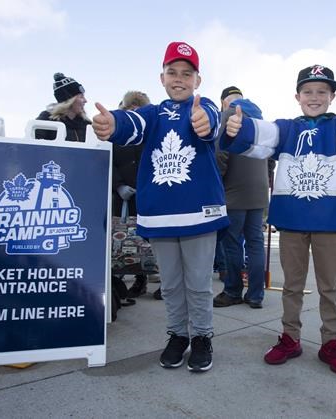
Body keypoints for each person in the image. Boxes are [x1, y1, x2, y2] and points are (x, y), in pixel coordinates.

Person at [222, 65, 336, 375]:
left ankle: (331, 343)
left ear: (332, 97)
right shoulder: (286, 129)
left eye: (322, 92)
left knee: (330, 287)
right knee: (292, 286)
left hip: (329, 220)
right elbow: (259, 133)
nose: (314, 97)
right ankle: (290, 338)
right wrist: (238, 127)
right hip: (293, 218)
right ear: (297, 96)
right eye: (308, 91)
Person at [92, 41, 228, 373]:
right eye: (172, 72)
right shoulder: (152, 114)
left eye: (187, 73)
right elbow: (131, 124)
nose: (179, 79)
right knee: (170, 283)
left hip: (198, 213)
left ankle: (202, 336)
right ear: (162, 77)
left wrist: (204, 121)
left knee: (198, 283)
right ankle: (178, 334)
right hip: (161, 215)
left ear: (197, 80)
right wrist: (113, 124)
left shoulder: (204, 105)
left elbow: (211, 121)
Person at [213, 86, 270, 309]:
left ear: (224, 102)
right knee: (255, 243)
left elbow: (220, 153)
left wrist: (216, 183)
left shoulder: (228, 115)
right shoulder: (261, 120)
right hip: (258, 193)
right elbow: (271, 156)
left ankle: (232, 291)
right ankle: (256, 295)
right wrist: (265, 180)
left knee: (232, 243)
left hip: (233, 193)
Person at [111, 91, 162, 301]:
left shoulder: (151, 131)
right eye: (131, 109)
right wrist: (118, 185)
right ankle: (129, 280)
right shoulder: (117, 133)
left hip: (147, 194)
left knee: (150, 240)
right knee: (124, 239)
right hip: (123, 196)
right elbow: (109, 161)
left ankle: (153, 279)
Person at [36, 73, 90, 142]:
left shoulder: (87, 124)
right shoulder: (47, 119)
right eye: (81, 97)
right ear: (69, 100)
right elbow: (34, 144)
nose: (85, 101)